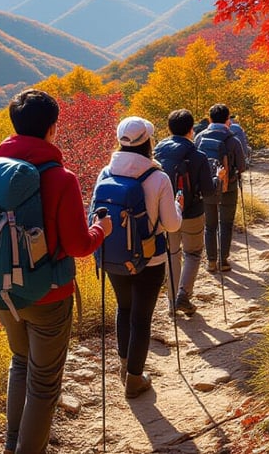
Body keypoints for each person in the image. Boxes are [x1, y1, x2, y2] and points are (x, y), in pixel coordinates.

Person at [0, 89, 112, 454]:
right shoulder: (61, 178)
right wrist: (100, 231)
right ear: (53, 128)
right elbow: (78, 246)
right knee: (44, 384)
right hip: (50, 293)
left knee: (20, 363)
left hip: (2, 291)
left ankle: (12, 445)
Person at [95, 116, 182, 398]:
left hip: (114, 256)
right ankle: (134, 378)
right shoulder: (158, 177)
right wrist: (178, 207)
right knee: (142, 318)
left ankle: (124, 366)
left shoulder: (105, 174)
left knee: (124, 309)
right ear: (148, 142)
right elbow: (171, 225)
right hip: (151, 258)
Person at [153, 109, 219, 316]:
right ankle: (184, 295)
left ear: (169, 128)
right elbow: (208, 191)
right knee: (193, 253)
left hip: (166, 212)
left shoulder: (158, 152)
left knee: (172, 254)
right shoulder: (197, 156)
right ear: (191, 130)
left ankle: (172, 301)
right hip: (192, 212)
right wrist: (218, 177)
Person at [195, 103, 248, 273]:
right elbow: (242, 166)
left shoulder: (200, 138)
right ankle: (223, 261)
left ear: (209, 119)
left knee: (210, 225)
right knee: (226, 223)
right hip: (228, 187)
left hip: (208, 186)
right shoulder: (233, 140)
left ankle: (211, 262)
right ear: (228, 120)